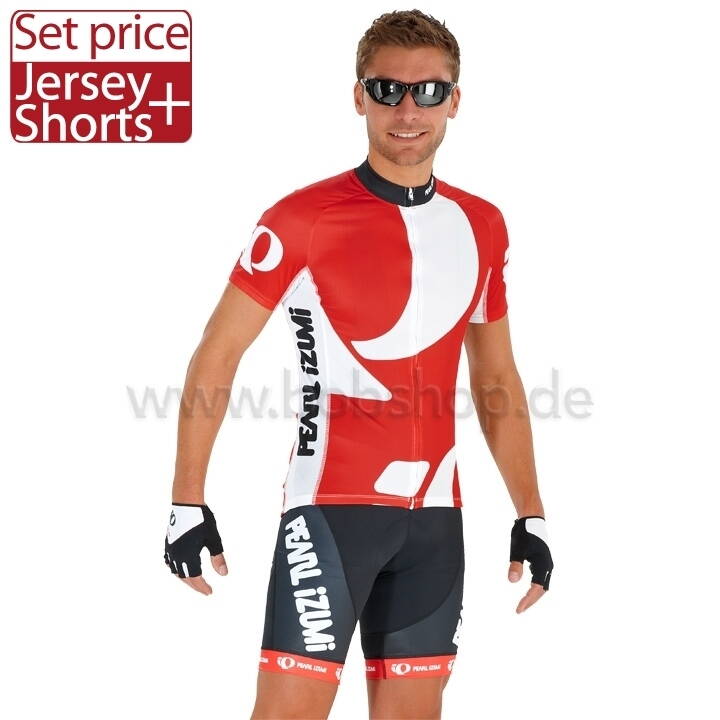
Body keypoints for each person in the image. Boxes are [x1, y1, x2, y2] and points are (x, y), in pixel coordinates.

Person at [163, 9, 553, 720]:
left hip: (437, 520)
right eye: (386, 89)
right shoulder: (302, 219)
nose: (408, 110)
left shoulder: (483, 225)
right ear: (358, 96)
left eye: (429, 91)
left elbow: (496, 380)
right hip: (330, 513)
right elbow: (218, 353)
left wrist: (531, 511)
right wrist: (187, 500)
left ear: (455, 101)